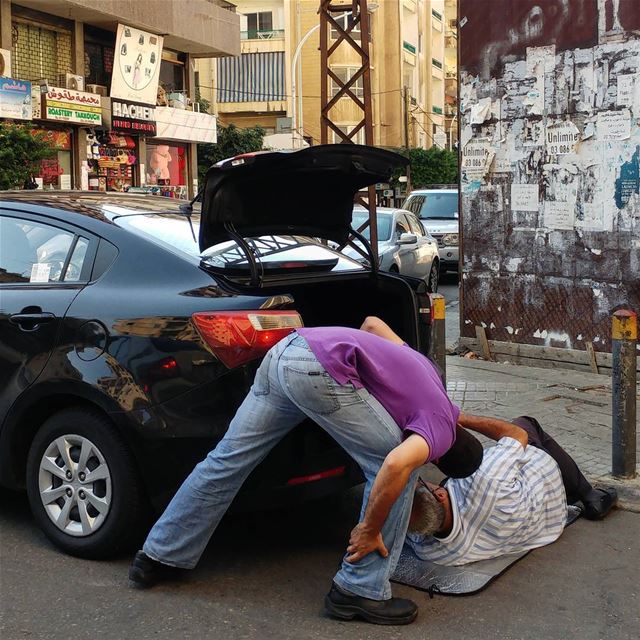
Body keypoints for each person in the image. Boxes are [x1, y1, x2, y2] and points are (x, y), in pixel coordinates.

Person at [129, 316, 489, 626]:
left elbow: (371, 324)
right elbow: (395, 463)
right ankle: (359, 589)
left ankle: (159, 555)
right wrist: (369, 529)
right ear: (439, 457)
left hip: (287, 350)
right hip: (315, 370)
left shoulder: (433, 377)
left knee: (226, 459)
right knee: (396, 469)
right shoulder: (437, 433)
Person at [405, 416, 618, 566]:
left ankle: (578, 492)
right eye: (421, 482)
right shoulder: (485, 481)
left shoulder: (430, 551)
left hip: (541, 524)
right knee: (526, 424)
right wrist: (458, 417)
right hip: (545, 482)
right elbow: (517, 436)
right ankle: (590, 494)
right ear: (440, 495)